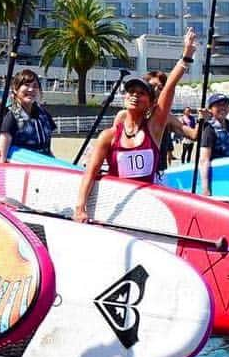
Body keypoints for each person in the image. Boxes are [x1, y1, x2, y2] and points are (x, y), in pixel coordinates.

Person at [75, 30, 197, 219]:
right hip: (116, 203)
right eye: (130, 91)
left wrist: (186, 57)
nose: (134, 95)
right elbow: (90, 173)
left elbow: (169, 87)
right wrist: (80, 207)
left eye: (141, 93)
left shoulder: (154, 128)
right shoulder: (108, 136)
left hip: (148, 203)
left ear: (150, 101)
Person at [0, 68, 56, 160]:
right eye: (26, 85)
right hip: (22, 168)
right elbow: (1, 156)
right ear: (16, 89)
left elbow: (48, 149)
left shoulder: (44, 115)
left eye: (35, 86)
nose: (31, 89)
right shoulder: (11, 116)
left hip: (44, 167)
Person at [197, 90, 229, 197]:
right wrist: (205, 188)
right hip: (217, 178)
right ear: (210, 109)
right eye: (218, 105)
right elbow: (204, 159)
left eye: (225, 104)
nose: (223, 108)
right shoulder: (209, 128)